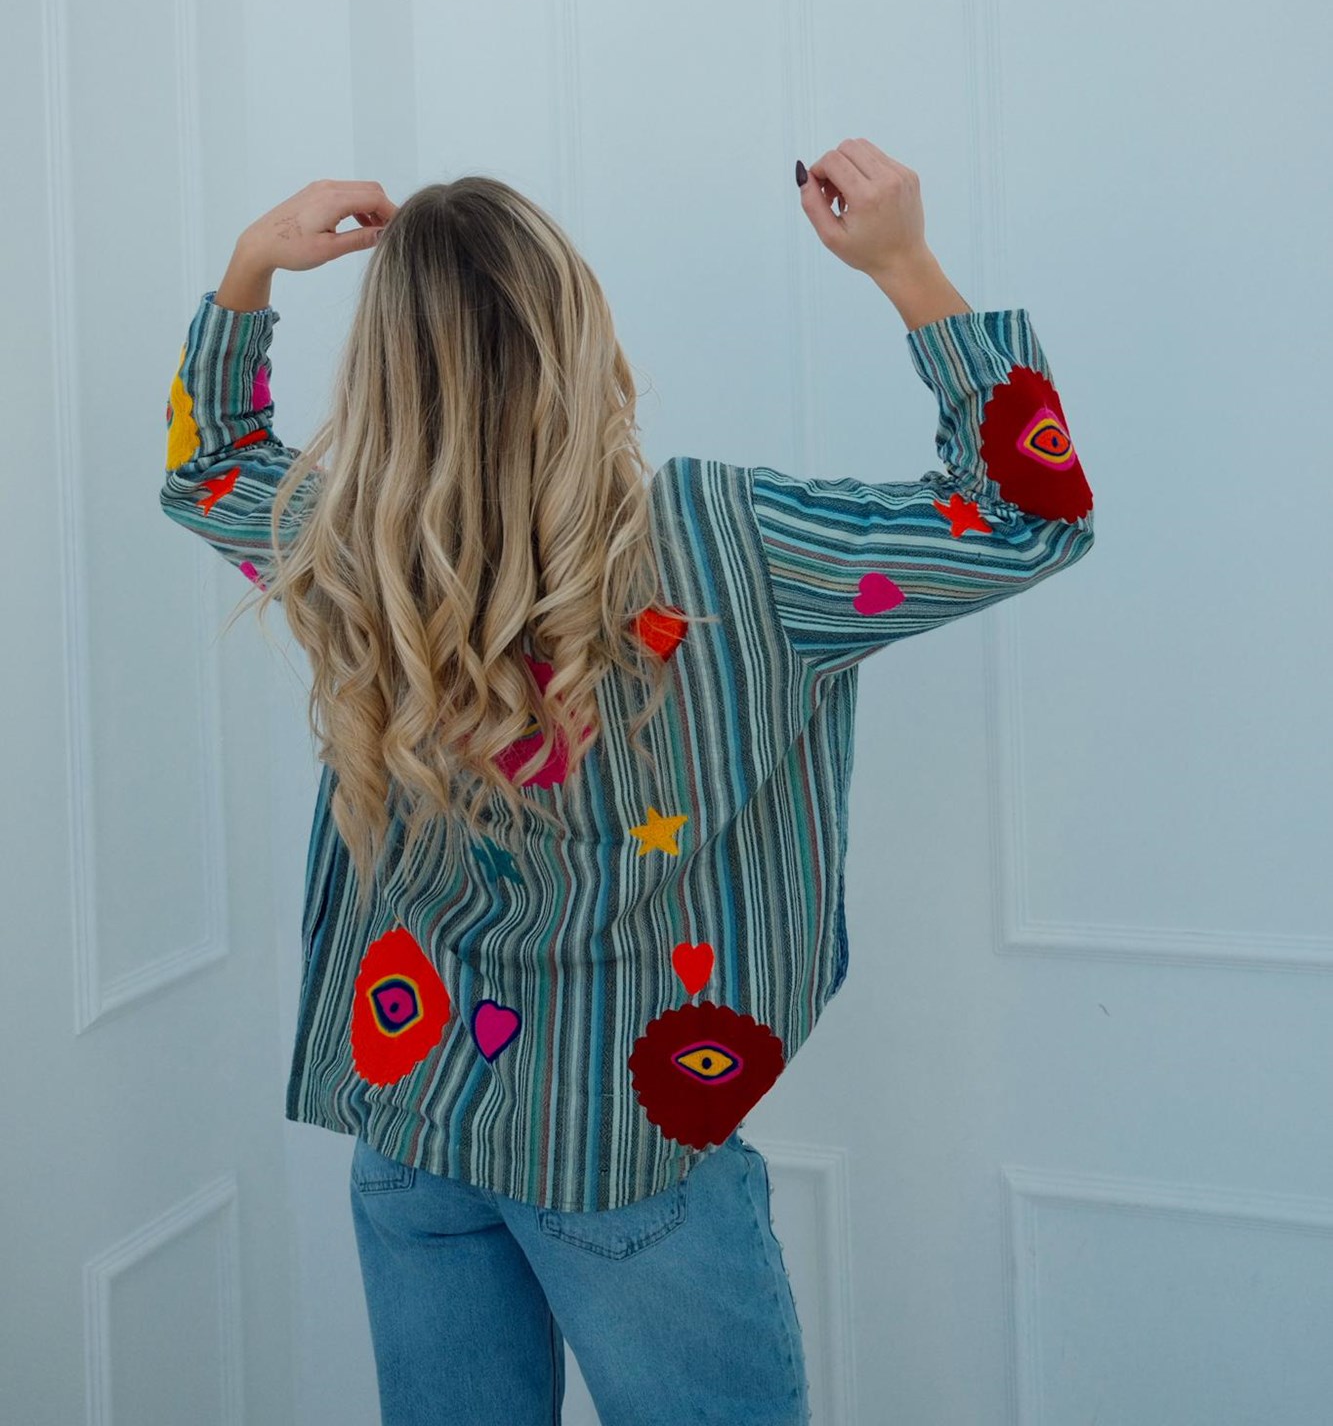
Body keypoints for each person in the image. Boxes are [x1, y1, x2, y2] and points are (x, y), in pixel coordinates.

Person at [160, 141, 1094, 1425]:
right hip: (625, 1156)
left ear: (381, 371)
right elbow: (1032, 516)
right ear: (583, 338)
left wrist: (252, 266)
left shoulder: (349, 540)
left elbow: (205, 462)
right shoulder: (733, 547)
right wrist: (906, 266)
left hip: (411, 1125)